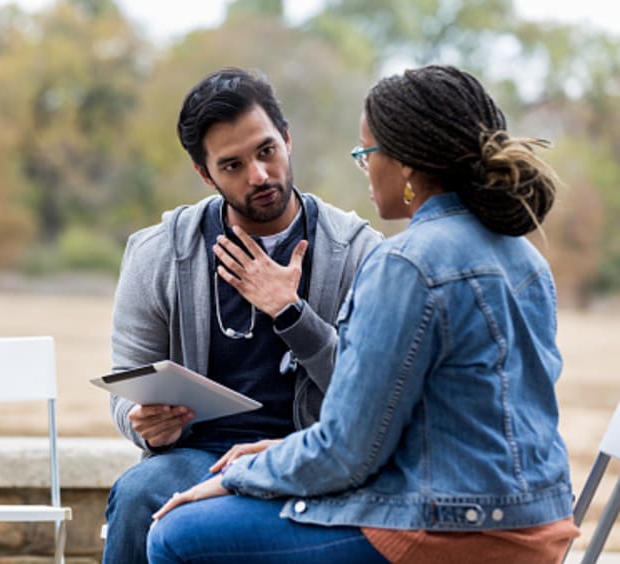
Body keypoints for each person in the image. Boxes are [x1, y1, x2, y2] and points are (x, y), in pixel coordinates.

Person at [147, 65, 579, 564]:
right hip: (538, 523)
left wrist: (237, 477)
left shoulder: (406, 265)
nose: (366, 168)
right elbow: (439, 422)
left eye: (366, 153)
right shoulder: (521, 254)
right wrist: (277, 453)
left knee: (176, 536)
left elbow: (347, 454)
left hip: (449, 532)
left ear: (408, 166)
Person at [101, 67, 382, 564]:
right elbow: (129, 387)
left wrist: (291, 312)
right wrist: (143, 423)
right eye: (232, 165)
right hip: (199, 459)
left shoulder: (358, 252)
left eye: (267, 151)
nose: (259, 175)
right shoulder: (157, 254)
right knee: (141, 491)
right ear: (205, 174)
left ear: (288, 139)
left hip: (310, 454)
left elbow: (372, 396)